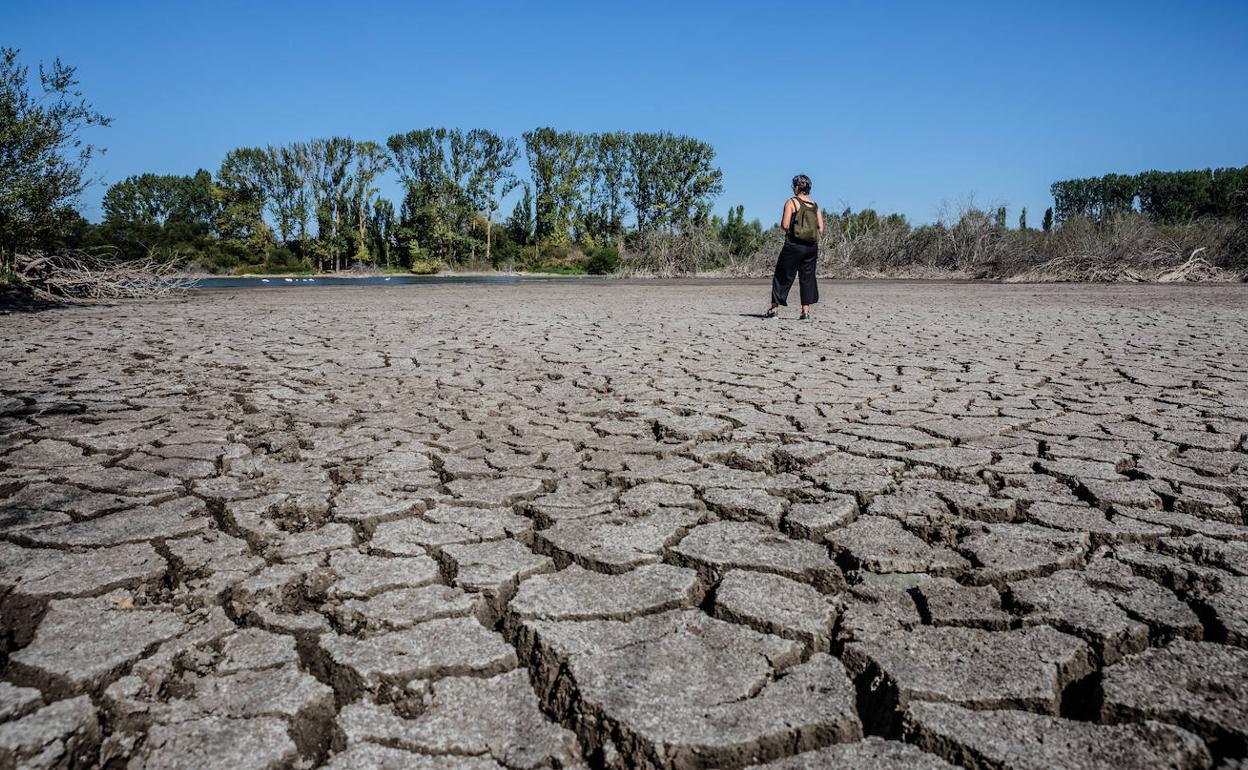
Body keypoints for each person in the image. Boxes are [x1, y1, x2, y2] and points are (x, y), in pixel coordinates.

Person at [764, 174, 823, 320]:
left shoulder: (791, 202)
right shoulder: (815, 205)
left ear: (797, 187)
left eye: (793, 185)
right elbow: (820, 228)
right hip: (811, 247)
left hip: (794, 245)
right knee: (807, 278)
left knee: (782, 275)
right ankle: (805, 312)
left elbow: (784, 225)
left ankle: (774, 309)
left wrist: (795, 230)